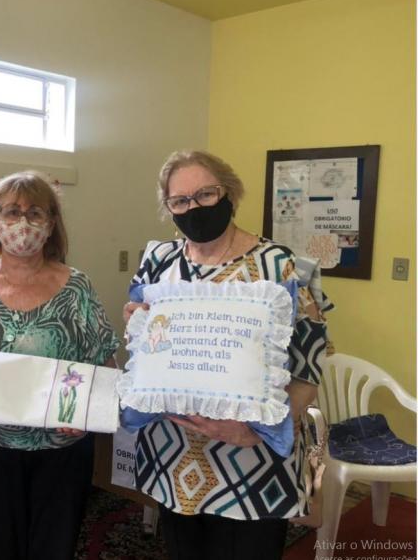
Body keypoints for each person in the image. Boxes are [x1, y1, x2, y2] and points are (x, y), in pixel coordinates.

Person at [123, 150, 332, 560]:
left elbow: (309, 368)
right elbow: (140, 343)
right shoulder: (157, 261)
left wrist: (252, 432)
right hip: (171, 454)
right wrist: (136, 322)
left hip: (251, 460)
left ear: (230, 193)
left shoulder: (282, 266)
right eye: (179, 200)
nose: (193, 207)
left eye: (205, 194)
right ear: (169, 207)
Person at [0, 171, 120, 560]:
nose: (23, 223)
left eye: (36, 213)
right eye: (12, 212)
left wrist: (89, 410)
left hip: (63, 445)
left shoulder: (78, 288)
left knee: (55, 545)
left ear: (52, 224)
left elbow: (107, 363)